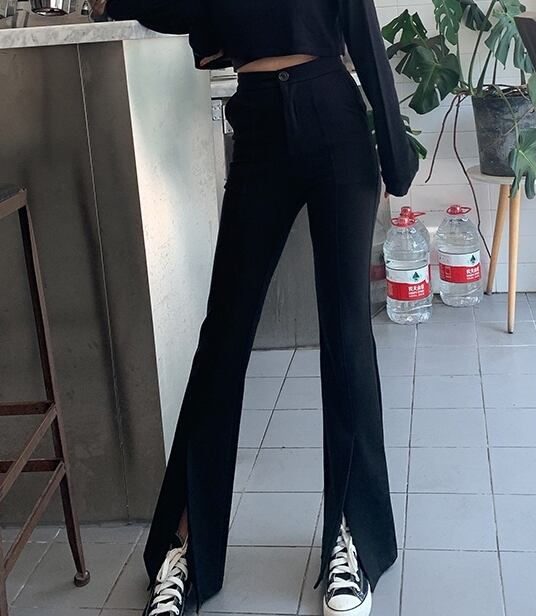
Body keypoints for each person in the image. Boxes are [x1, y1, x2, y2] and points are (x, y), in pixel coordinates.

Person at [91, 0, 419, 614]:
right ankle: (185, 546)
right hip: (259, 128)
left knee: (347, 333)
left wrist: (395, 157)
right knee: (223, 339)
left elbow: (362, 28)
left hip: (333, 118)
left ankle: (354, 537)